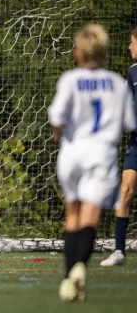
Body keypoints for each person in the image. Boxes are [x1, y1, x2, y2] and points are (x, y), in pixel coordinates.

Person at [48, 23, 136, 302]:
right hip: (102, 154)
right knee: (90, 216)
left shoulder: (70, 80)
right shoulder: (117, 83)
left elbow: (57, 120)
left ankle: (66, 279)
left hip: (73, 152)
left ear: (78, 53)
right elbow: (129, 123)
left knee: (71, 213)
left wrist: (60, 136)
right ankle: (79, 268)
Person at [100, 28, 137, 267]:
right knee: (125, 191)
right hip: (136, 143)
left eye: (132, 42)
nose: (129, 47)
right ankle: (119, 251)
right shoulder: (132, 72)